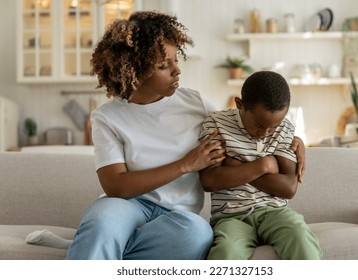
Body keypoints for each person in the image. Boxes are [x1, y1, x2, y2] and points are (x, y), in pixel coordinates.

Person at [26, 11, 306, 260]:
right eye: (164, 65)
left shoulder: (194, 102)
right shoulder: (107, 117)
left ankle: (96, 252)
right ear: (135, 72)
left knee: (198, 234)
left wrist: (294, 141)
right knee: (104, 220)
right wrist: (186, 164)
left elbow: (244, 125)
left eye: (175, 60)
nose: (177, 69)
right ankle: (98, 248)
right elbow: (116, 186)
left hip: (178, 215)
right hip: (127, 207)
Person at [199, 71, 323, 260]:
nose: (265, 133)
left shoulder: (285, 128)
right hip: (231, 216)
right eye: (258, 125)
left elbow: (288, 188)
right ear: (240, 104)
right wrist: (263, 165)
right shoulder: (216, 123)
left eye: (273, 127)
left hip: (275, 212)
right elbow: (209, 180)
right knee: (226, 251)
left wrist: (234, 165)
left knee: (300, 238)